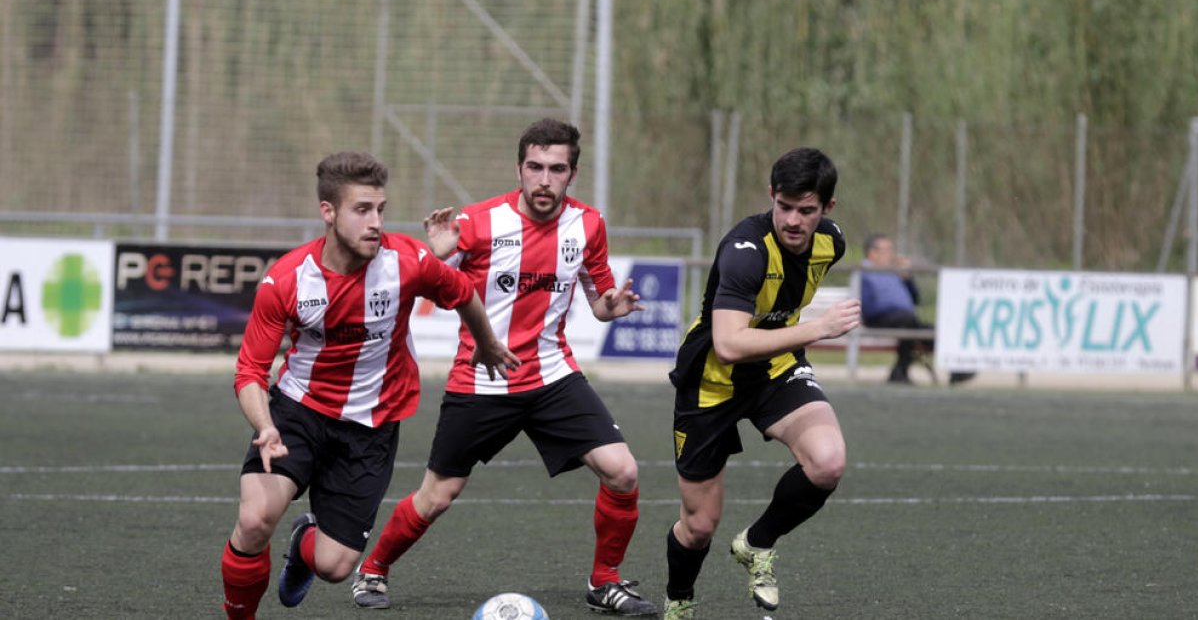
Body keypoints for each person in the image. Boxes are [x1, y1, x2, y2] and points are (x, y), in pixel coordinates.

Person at [351, 119, 657, 616]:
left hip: (553, 375)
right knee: (438, 494)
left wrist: (611, 308)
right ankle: (374, 570)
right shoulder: (478, 222)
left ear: (572, 174)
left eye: (556, 169)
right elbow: (425, 284)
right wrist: (439, 254)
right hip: (481, 378)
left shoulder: (588, 226)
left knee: (622, 471)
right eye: (534, 167)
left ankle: (605, 583)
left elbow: (600, 300)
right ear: (519, 168)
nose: (544, 179)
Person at [219, 151, 519, 619]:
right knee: (255, 518)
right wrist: (266, 425)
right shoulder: (286, 280)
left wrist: (487, 342)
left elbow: (463, 293)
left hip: (370, 427)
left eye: (381, 209)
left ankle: (303, 545)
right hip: (298, 412)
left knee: (336, 567)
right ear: (329, 211)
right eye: (362, 210)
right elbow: (250, 371)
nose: (375, 221)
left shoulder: (408, 260)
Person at [662, 147, 861, 619]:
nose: (793, 220)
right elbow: (729, 344)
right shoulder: (744, 251)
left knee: (828, 462)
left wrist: (794, 338)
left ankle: (756, 543)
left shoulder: (832, 242)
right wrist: (819, 328)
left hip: (776, 368)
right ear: (770, 196)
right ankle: (679, 602)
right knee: (699, 526)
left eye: (806, 210)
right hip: (712, 382)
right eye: (784, 206)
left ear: (827, 209)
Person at [860, 233, 973, 385]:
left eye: (891, 250)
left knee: (932, 330)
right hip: (879, 317)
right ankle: (900, 371)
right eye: (886, 250)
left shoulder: (895, 272)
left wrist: (908, 279)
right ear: (872, 253)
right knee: (908, 323)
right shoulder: (865, 272)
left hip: (904, 318)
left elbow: (915, 299)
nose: (891, 254)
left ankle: (957, 370)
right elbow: (867, 305)